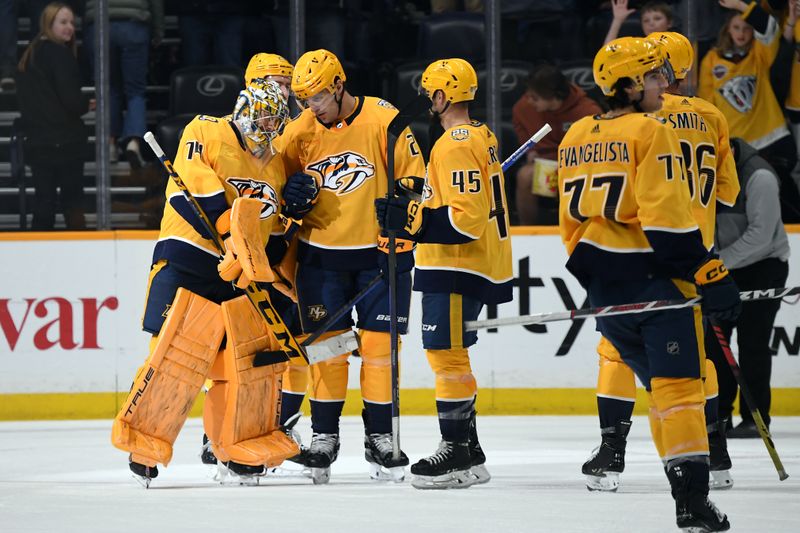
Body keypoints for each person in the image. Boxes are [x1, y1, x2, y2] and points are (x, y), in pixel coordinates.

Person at [559, 37, 741, 531]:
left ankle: (621, 454)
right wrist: (706, 270)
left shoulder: (576, 133)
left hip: (605, 289)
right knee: (680, 392)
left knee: (660, 391)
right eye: (652, 77)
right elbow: (666, 217)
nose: (662, 86)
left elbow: (569, 226)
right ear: (633, 83)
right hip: (659, 282)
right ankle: (692, 502)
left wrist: (597, 274)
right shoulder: (650, 130)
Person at [110, 79, 308, 485]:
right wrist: (232, 234)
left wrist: (266, 246)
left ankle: (232, 446)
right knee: (174, 357)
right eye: (262, 119)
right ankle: (144, 443)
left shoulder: (272, 163)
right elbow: (190, 195)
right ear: (243, 109)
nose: (267, 130)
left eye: (275, 123)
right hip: (189, 257)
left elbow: (268, 231)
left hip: (236, 273)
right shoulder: (205, 130)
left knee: (235, 367)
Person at [275, 49, 425, 484]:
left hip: (380, 255)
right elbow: (275, 190)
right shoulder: (298, 131)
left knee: (380, 354)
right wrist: (290, 198)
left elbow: (415, 179)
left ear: (339, 85)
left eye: (317, 96)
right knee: (327, 353)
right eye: (303, 100)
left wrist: (404, 219)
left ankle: (381, 437)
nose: (311, 107)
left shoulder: (383, 118)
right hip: (320, 259)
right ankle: (324, 439)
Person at [375, 58, 512, 490]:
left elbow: (464, 221)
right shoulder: (481, 135)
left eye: (430, 93)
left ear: (441, 96)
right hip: (468, 265)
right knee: (454, 355)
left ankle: (454, 453)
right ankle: (470, 451)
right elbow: (456, 195)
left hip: (453, 265)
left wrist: (411, 221)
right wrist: (421, 196)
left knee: (446, 356)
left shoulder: (452, 143)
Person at [708, 137, 790, 438]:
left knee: (753, 344)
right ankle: (718, 417)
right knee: (715, 346)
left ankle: (756, 419)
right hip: (723, 269)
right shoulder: (702, 173)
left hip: (763, 268)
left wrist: (715, 263)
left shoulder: (760, 176)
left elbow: (761, 237)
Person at [699, 0, 799, 222]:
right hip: (737, 145)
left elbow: (770, 30)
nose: (742, 33)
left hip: (771, 138)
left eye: (746, 28)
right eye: (736, 28)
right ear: (727, 29)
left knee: (786, 196)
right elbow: (706, 105)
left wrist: (743, 7)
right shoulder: (711, 60)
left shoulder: (758, 55)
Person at [16, 2, 92, 230]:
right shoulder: (61, 55)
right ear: (49, 25)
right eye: (63, 22)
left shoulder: (30, 54)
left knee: (43, 201)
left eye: (72, 23)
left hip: (38, 142)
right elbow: (70, 100)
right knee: (73, 203)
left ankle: (38, 254)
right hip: (66, 141)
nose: (70, 27)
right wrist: (86, 104)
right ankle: (80, 253)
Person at [512, 64, 601, 225]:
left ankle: (581, 227)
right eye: (528, 94)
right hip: (546, 166)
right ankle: (526, 231)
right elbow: (520, 124)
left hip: (580, 168)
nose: (529, 100)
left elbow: (599, 145)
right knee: (525, 175)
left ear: (552, 95)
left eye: (535, 97)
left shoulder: (587, 111)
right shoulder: (524, 107)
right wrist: (530, 150)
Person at [83, 0, 164, 165]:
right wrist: (158, 30)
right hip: (134, 24)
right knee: (135, 91)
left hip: (100, 24)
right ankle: (133, 142)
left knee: (109, 89)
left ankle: (110, 143)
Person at [604, 0, 673, 45]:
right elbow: (606, 54)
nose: (651, 23)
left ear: (669, 23)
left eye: (657, 19)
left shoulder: (678, 43)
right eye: (646, 21)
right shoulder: (638, 46)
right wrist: (617, 20)